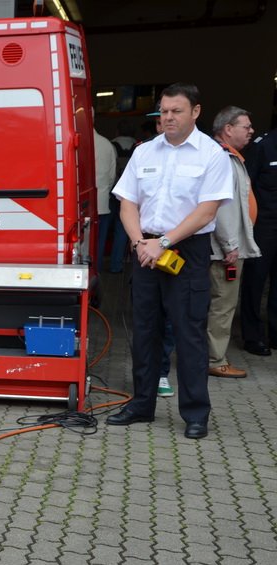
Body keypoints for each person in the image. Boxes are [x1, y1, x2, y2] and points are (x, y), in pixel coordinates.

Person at [107, 83, 232, 440]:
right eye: (163, 111)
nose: (168, 117)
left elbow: (207, 209)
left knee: (188, 332)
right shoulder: (145, 152)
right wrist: (139, 243)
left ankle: (195, 414)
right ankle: (141, 405)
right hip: (145, 249)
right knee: (145, 330)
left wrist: (163, 242)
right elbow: (127, 202)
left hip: (186, 251)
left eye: (176, 111)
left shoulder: (211, 154)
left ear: (195, 112)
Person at [207, 107, 259, 378]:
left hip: (223, 246)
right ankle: (215, 359)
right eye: (246, 126)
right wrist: (230, 245)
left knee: (216, 304)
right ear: (228, 129)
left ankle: (210, 356)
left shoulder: (226, 156)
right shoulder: (224, 159)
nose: (251, 131)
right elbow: (223, 206)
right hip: (225, 250)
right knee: (223, 305)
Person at [240, 126, 277, 356]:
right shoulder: (263, 146)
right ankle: (252, 337)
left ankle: (275, 333)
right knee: (255, 282)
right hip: (264, 226)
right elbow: (246, 188)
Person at [94, 127, 120, 273]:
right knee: (98, 243)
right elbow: (112, 177)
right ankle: (96, 273)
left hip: (76, 206)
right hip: (102, 202)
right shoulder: (106, 144)